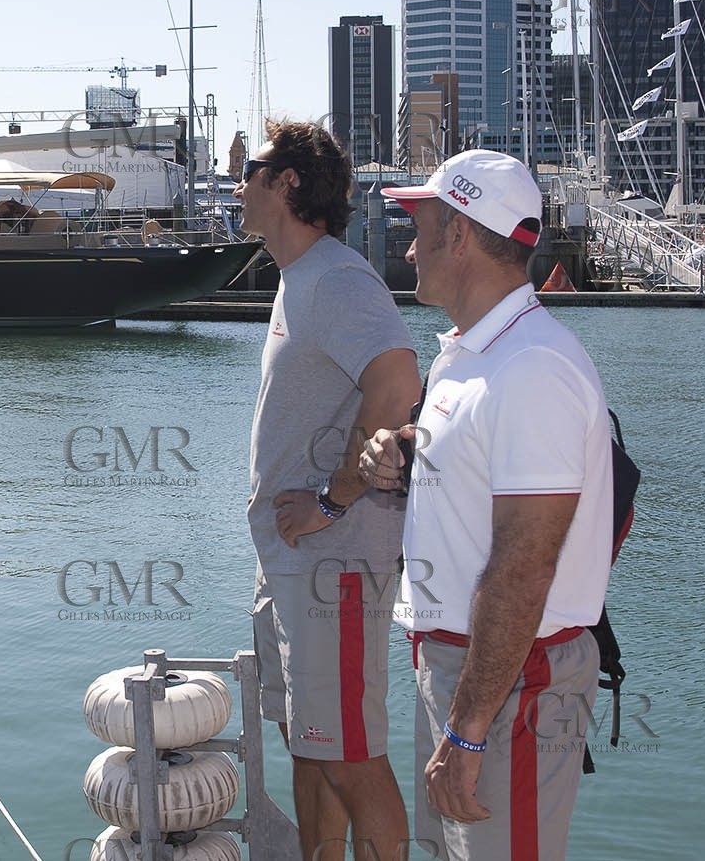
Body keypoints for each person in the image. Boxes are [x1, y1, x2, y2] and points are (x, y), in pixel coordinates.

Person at [361, 150, 613, 860]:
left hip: (509, 685)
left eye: (422, 225)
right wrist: (402, 449)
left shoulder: (532, 367)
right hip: (466, 673)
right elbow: (477, 462)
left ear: (462, 236)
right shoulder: (473, 355)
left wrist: (468, 730)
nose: (409, 245)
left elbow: (527, 564)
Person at [236, 120, 421, 861]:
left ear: (285, 183)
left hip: (335, 562)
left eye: (248, 169)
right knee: (310, 744)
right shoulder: (299, 279)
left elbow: (398, 380)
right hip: (290, 560)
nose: (236, 183)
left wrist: (333, 498)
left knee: (348, 753)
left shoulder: (338, 278)